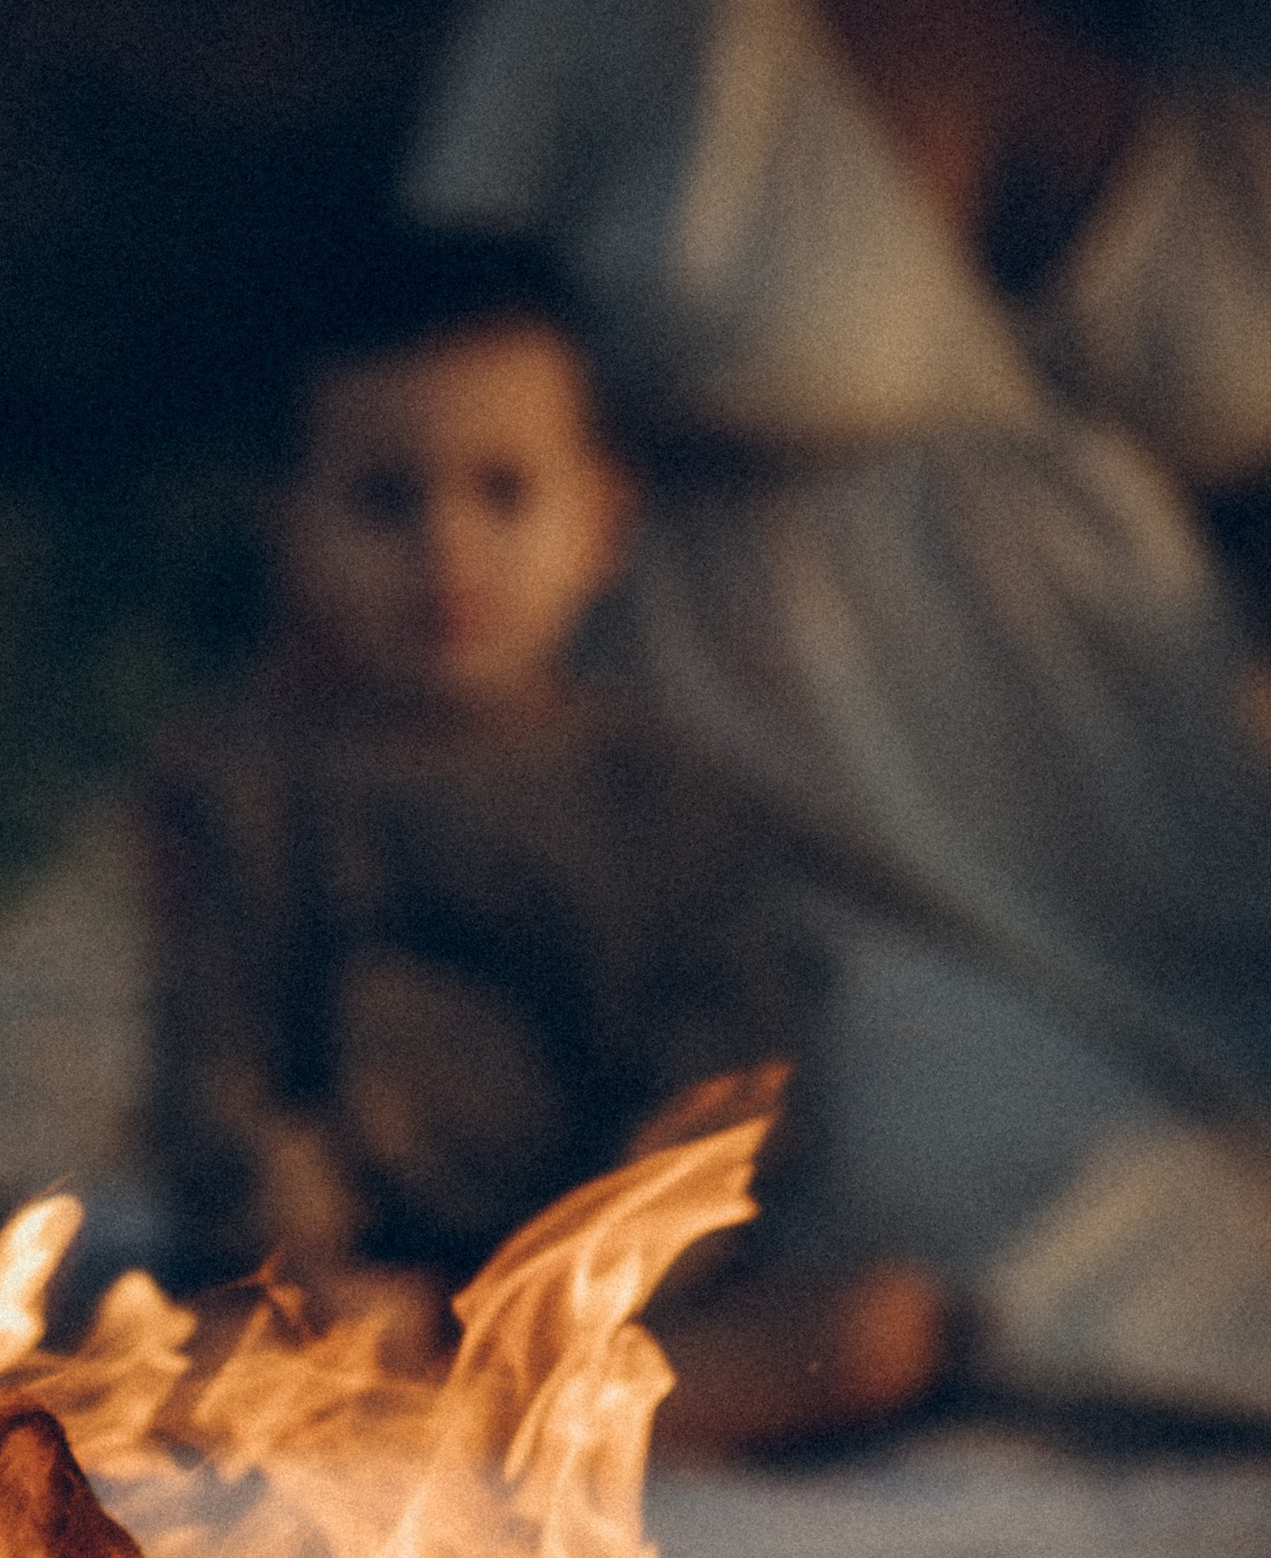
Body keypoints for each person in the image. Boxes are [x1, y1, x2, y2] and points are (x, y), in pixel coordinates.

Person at [403, 0, 1271, 1422]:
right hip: (798, 849)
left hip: (1185, 834)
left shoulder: (1221, 34)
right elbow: (414, 399)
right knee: (1081, 1210)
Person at [137, 223, 948, 1452]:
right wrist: (297, 1242)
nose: (445, 547)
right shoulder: (249, 785)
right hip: (358, 1290)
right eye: (383, 501)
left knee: (878, 1327)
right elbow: (216, 1070)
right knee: (145, 1348)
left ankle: (483, 1416)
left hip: (604, 1295)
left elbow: (732, 1080)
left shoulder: (660, 792)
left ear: (601, 523)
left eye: (502, 491)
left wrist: (611, 1264)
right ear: (290, 534)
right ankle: (484, 1418)